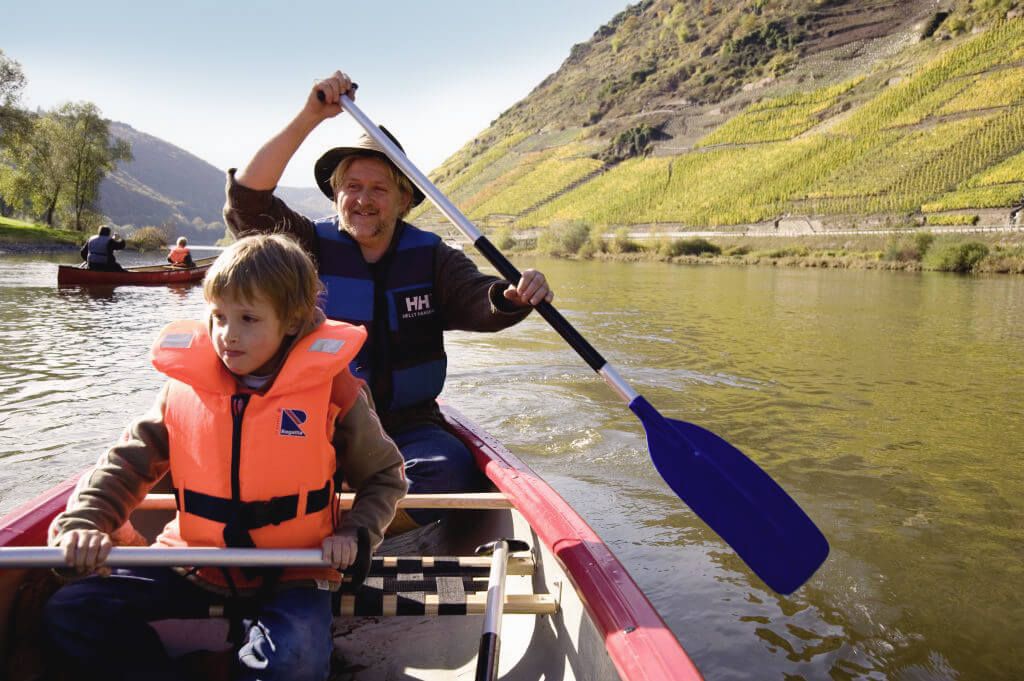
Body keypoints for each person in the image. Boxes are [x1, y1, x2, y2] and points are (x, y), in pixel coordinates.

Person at [44, 234, 408, 681]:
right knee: (74, 610)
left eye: (248, 318)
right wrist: (84, 522)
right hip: (194, 561)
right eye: (217, 317)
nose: (227, 336)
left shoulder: (334, 389)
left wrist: (357, 532)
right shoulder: (185, 385)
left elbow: (385, 477)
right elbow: (125, 464)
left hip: (295, 569)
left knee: (294, 659)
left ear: (292, 322)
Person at [224, 70, 553, 528]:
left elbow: (480, 298)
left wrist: (514, 296)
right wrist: (311, 116)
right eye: (352, 186)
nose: (363, 199)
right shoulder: (303, 247)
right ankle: (336, 523)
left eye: (379, 188)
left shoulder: (433, 257)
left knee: (449, 471)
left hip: (408, 428)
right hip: (316, 421)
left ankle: (350, 532)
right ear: (336, 193)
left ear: (403, 199)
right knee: (254, 466)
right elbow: (247, 201)